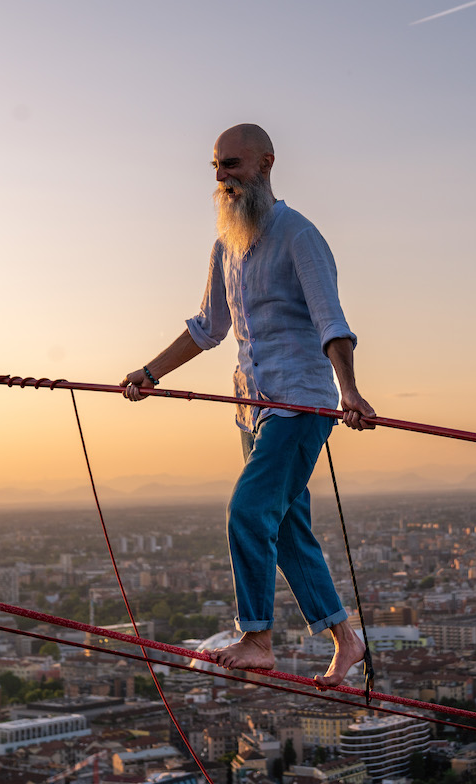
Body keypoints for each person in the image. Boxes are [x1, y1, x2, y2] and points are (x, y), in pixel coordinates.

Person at [120, 123, 376, 687]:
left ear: (266, 163)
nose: (221, 178)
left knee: (247, 511)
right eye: (215, 167)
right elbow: (207, 327)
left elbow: (331, 321)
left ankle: (257, 636)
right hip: (251, 410)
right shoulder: (226, 246)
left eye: (232, 165)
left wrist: (350, 391)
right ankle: (345, 638)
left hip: (300, 405)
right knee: (284, 529)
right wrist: (150, 374)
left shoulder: (299, 236)